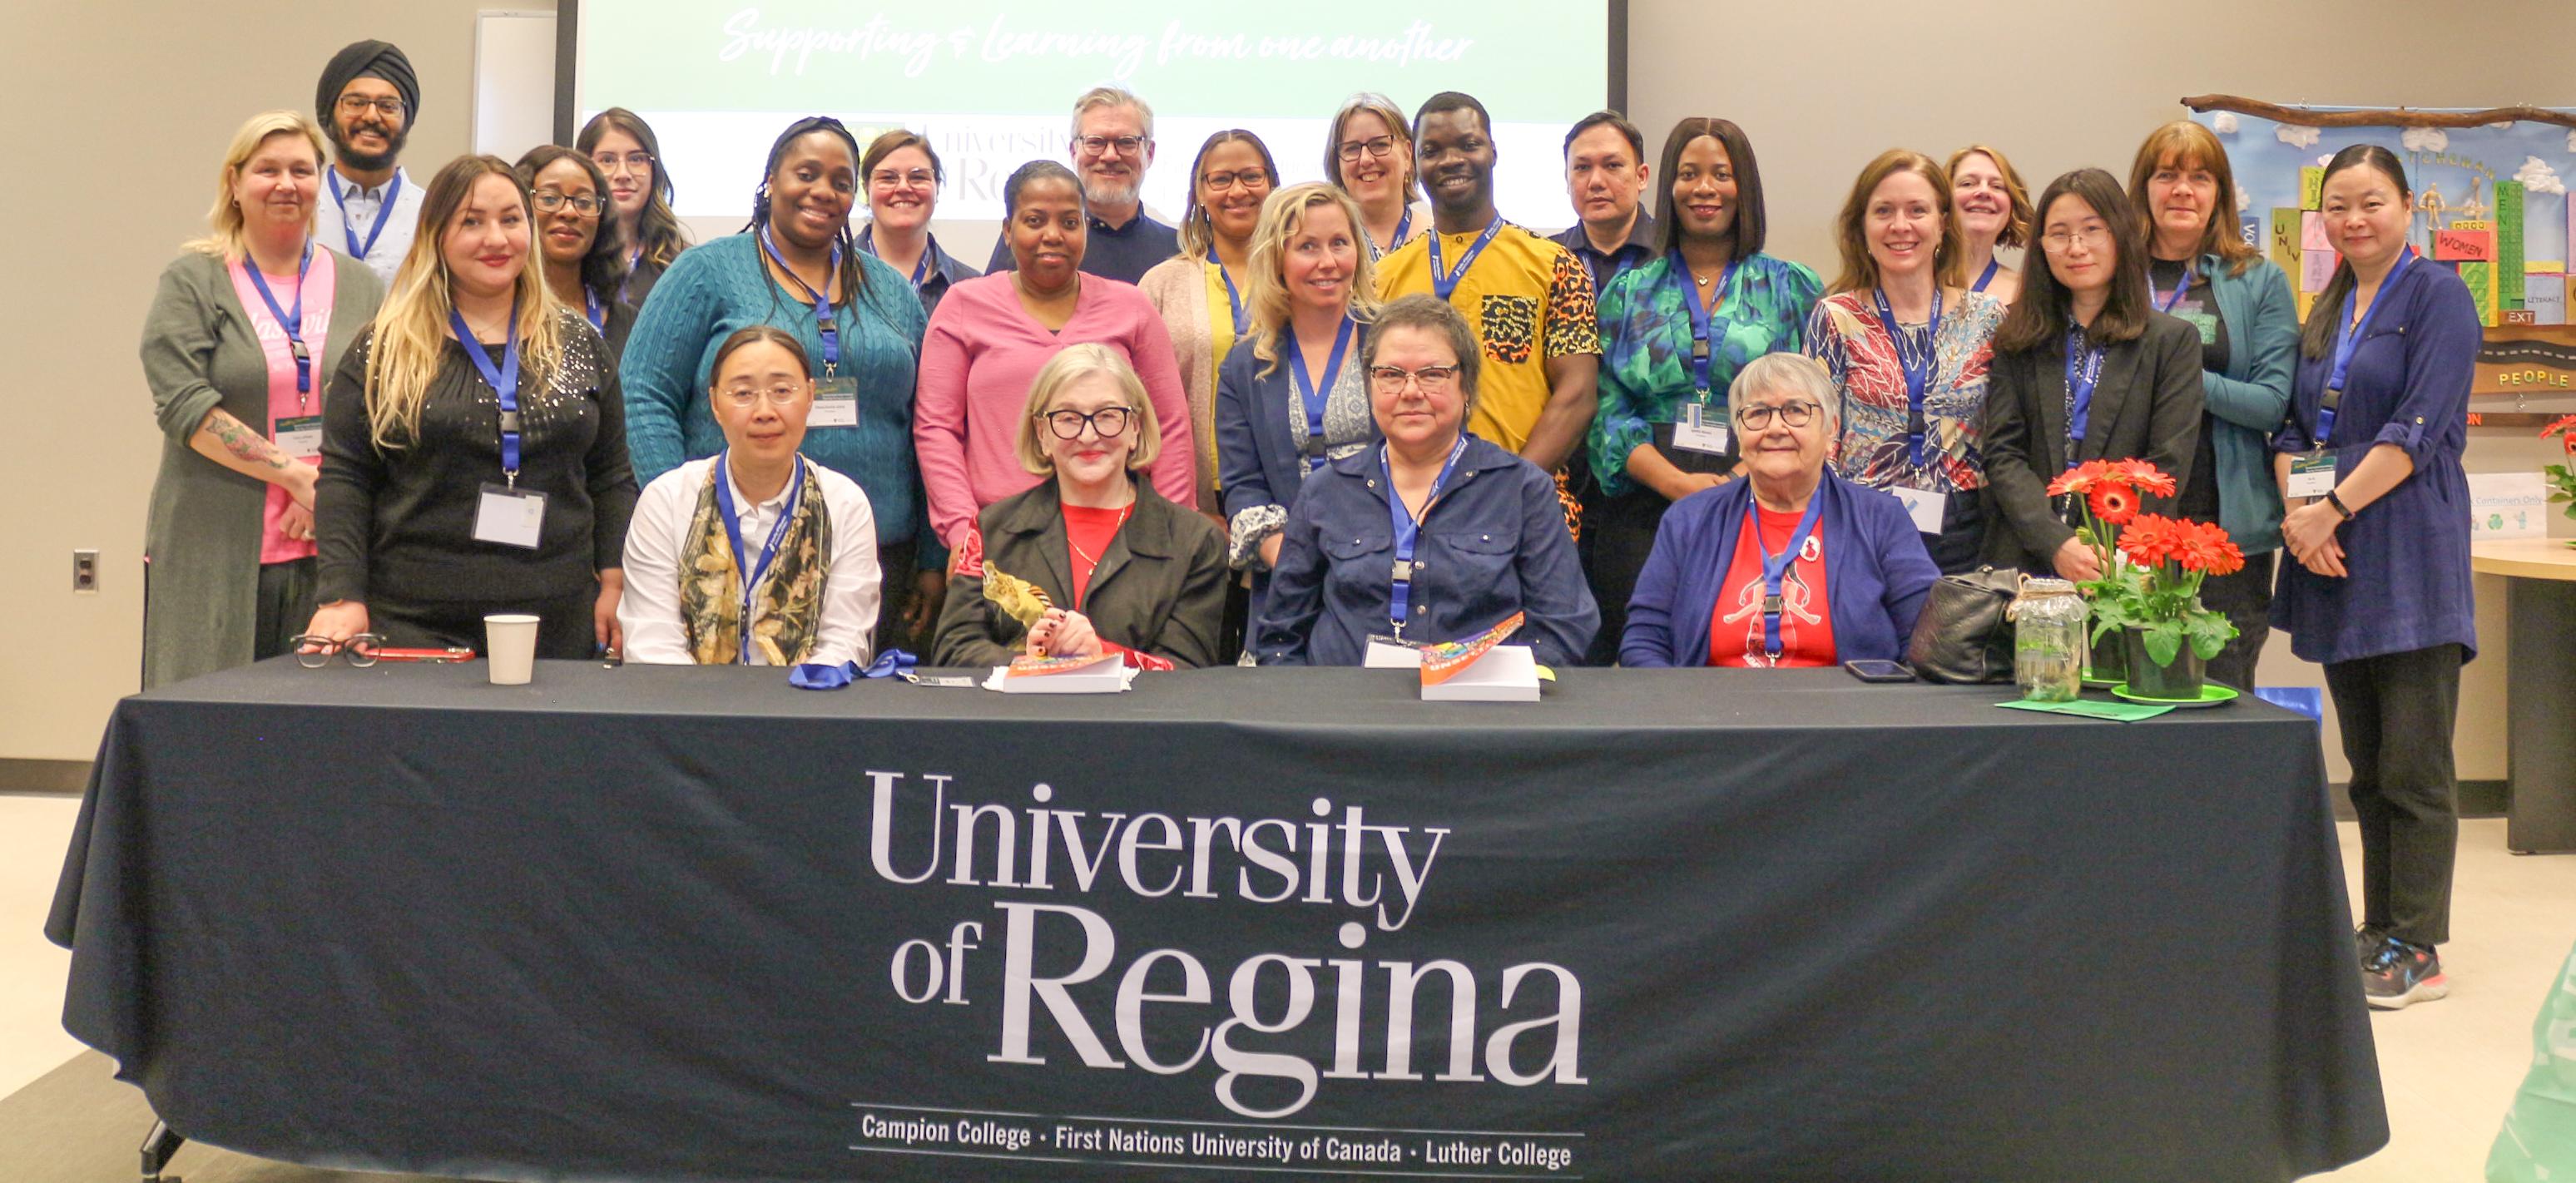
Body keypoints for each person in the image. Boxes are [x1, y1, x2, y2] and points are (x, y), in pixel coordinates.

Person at [2270, 145, 2479, 1010]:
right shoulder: (2324, 308)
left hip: (2407, 551)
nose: (2355, 220)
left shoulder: (2439, 296)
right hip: (2332, 555)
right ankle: (2378, 927)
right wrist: (2299, 517)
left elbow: (2417, 428)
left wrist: (2330, 512)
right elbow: (2289, 430)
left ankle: (2418, 945)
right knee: (2364, 766)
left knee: (2415, 765)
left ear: (2408, 209)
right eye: (2339, 206)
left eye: (2373, 203)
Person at [622, 116, 944, 654]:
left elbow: (927, 422)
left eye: (842, 181)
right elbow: (643, 393)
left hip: (880, 552)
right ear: (771, 179)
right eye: (807, 173)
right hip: (730, 552)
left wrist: (932, 556)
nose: (823, 191)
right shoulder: (707, 271)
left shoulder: (889, 288)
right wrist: (687, 520)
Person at [303, 155, 637, 659]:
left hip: (559, 618)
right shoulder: (385, 348)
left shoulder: (580, 343)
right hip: (416, 622)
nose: (497, 240)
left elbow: (610, 475)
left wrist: (615, 581)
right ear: (436, 236)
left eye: (510, 219)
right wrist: (342, 595)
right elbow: (347, 478)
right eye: (472, 222)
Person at [140, 111, 386, 689]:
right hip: (215, 542)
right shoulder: (193, 279)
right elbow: (183, 405)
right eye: (267, 169)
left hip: (330, 545)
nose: (286, 183)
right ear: (234, 182)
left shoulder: (361, 286)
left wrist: (323, 485)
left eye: (302, 169)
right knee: (208, 717)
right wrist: (297, 477)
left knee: (316, 724)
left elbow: (380, 400)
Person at [1255, 295, 1598, 666]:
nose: (1411, 391)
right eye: (1391, 375)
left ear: (1466, 386)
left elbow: (1565, 627)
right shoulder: (1325, 491)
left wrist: (1503, 695)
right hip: (1346, 715)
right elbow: (1280, 636)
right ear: (1369, 385)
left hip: (1479, 713)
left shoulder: (1523, 490)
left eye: (1433, 374)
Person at [1588, 117, 1821, 665]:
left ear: (1746, 186)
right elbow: (1607, 404)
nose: (1705, 188)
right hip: (1646, 499)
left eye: (1722, 173)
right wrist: (1674, 483)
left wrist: (1741, 479)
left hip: (1762, 490)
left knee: (1744, 655)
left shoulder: (1791, 286)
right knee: (1645, 659)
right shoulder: (1629, 289)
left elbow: (1812, 396)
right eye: (1689, 174)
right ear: (1668, 186)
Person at [916, 161, 1197, 560]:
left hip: (1121, 540)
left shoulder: (1130, 306)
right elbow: (937, 429)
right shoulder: (963, 305)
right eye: (1034, 220)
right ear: (1008, 232)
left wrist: (1175, 530)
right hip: (999, 537)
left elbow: (1168, 424)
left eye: (1069, 222)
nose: (1053, 235)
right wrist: (963, 532)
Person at [1621, 353, 1937, 667]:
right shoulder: (1688, 520)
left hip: (1847, 712)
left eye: (1796, 410)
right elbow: (1645, 641)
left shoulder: (1881, 520)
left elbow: (1929, 641)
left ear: (1832, 429)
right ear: (1739, 435)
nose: (1775, 428)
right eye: (1757, 413)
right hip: (1712, 711)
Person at [2128, 119, 2298, 691]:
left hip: (2227, 526)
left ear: (2220, 194)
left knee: (2223, 693)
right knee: (2126, 689)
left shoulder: (2259, 280)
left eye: (2201, 177)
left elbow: (2272, 404)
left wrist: (2180, 377)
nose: (2183, 190)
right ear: (2144, 187)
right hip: (2128, 521)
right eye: (2167, 175)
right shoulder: (2114, 276)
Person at [933, 344, 1226, 669]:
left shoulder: (1196, 542)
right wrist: (1030, 662)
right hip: (1019, 718)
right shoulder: (990, 530)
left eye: (1107, 416)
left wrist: (1100, 653)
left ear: (1135, 428)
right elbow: (952, 652)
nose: (1088, 435)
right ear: (1042, 433)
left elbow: (1191, 671)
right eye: (1068, 418)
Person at [1982, 168, 2204, 577]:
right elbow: (2003, 454)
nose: (2077, 247)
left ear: (2120, 235)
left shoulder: (2172, 341)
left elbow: (2167, 466)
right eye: (2060, 234)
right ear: (2041, 247)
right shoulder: (2018, 336)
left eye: (2092, 229)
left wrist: (2100, 555)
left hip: (2127, 563)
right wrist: (2057, 544)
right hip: (2029, 556)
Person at [620, 326, 881, 666]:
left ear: (810, 396)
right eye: (743, 393)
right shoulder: (666, 501)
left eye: (782, 391)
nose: (764, 411)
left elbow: (842, 646)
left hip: (806, 710)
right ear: (715, 403)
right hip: (687, 709)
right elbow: (652, 646)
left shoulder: (845, 505)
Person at [1376, 92, 1601, 481]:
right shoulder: (1383, 277)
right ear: (1414, 161)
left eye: (1469, 145)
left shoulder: (1555, 265)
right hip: (1410, 501)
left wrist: (1510, 487)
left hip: (1525, 503)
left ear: (1493, 151)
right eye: (1433, 150)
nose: (1451, 160)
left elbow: (1577, 395)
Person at [1806, 150, 2007, 572]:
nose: (1900, 226)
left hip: (1965, 531)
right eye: (1884, 211)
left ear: (1942, 225)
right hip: (1861, 527)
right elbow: (1817, 435)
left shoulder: (1987, 318)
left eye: (1917, 210)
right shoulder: (1836, 318)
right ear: (1862, 225)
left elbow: (2006, 434)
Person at [1215, 182, 1382, 622]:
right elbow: (1243, 486)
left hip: (1390, 575)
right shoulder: (1243, 366)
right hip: (1288, 585)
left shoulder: (1397, 343)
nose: (1328, 262)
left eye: (1340, 243)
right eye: (1308, 246)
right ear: (1276, 259)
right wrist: (1300, 563)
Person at [1139, 130, 1279, 514]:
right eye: (1221, 179)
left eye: (1251, 176)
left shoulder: (1300, 278)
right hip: (1191, 497)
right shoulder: (1161, 284)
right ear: (1199, 192)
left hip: (1290, 488)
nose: (1238, 191)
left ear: (1271, 185)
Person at [983, 87, 1179, 284]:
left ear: (1150, 153)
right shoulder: (1031, 243)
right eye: (1095, 142)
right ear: (1074, 152)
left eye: (1127, 142)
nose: (1110, 155)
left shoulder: (1179, 251)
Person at [311, 40, 425, 284]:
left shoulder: (433, 214)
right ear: (330, 113)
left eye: (388, 106)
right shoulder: (300, 204)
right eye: (356, 103)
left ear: (407, 119)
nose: (372, 116)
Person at [513, 146, 633, 356]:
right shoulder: (492, 315)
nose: (569, 212)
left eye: (584, 202)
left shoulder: (630, 324)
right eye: (550, 199)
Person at [855, 129, 979, 318]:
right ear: (866, 188)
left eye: (918, 177)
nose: (904, 187)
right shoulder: (831, 274)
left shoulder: (972, 287)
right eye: (888, 178)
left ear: (937, 189)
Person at [578, 107, 690, 307]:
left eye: (636, 159)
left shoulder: (683, 263)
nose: (623, 174)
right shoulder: (569, 258)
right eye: (608, 160)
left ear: (654, 170)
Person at [1552, 111, 1657, 295]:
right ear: (1567, 180)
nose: (1596, 182)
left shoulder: (1673, 252)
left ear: (1641, 177)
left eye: (1612, 165)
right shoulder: (1548, 258)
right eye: (1582, 167)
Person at [1326, 92, 1429, 260]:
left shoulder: (1439, 237)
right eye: (1352, 148)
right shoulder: (1324, 241)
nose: (1365, 159)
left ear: (1408, 154)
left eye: (1380, 145)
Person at [1949, 145, 2033, 303]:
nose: (1983, 192)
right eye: (1968, 183)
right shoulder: (1911, 282)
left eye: (1997, 186)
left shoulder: (2028, 293)